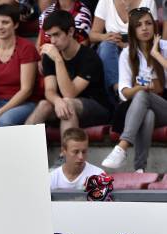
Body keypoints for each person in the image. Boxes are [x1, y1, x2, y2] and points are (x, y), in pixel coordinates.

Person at [25, 11, 109, 140]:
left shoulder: (89, 57)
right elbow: (50, 90)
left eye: (57, 35)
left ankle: (64, 157)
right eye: (50, 36)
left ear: (70, 32)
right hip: (65, 104)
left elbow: (69, 93)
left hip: (96, 107)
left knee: (68, 103)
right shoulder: (50, 55)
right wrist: (57, 100)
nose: (52, 41)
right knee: (44, 105)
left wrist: (58, 60)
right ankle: (23, 150)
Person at [101, 8, 167, 172]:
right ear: (132, 30)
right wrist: (141, 88)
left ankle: (122, 147)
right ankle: (139, 170)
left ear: (154, 26)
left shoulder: (165, 47)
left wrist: (156, 55)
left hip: (165, 106)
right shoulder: (127, 54)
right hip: (145, 107)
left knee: (143, 95)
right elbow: (124, 92)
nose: (144, 28)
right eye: (139, 25)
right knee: (147, 114)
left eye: (148, 23)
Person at [89, 0, 157, 102]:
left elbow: (153, 32)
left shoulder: (148, 1)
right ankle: (118, 92)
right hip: (112, 43)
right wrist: (105, 36)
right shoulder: (105, 1)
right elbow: (92, 35)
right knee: (106, 47)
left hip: (139, 43)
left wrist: (129, 45)